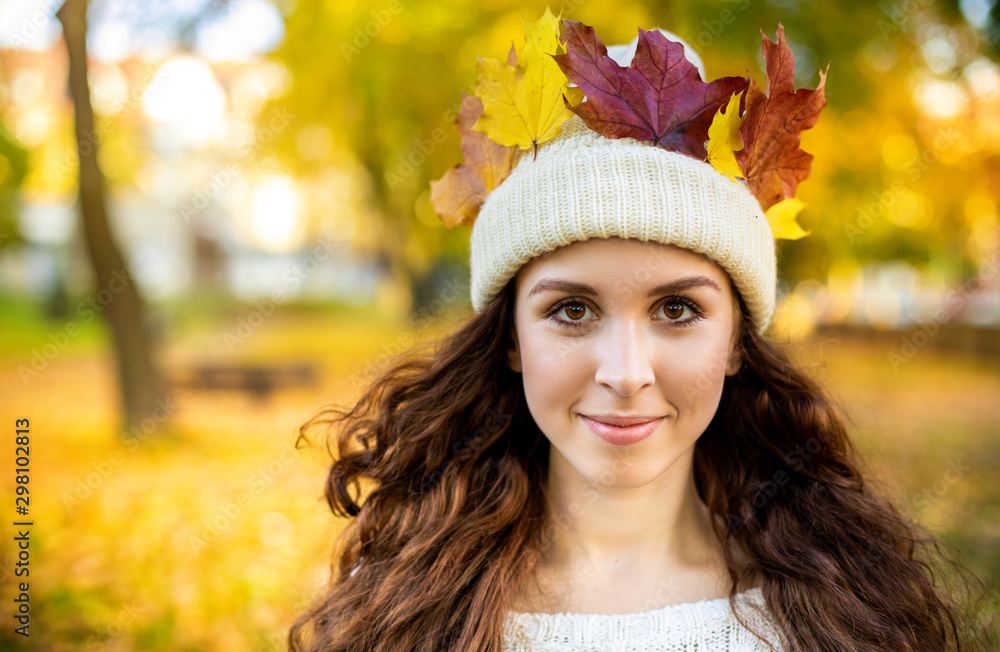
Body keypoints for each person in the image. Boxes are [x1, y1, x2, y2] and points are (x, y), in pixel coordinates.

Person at [288, 11, 980, 652]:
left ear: (738, 340)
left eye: (677, 310)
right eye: (571, 310)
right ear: (509, 340)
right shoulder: (402, 608)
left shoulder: (839, 607)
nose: (625, 373)